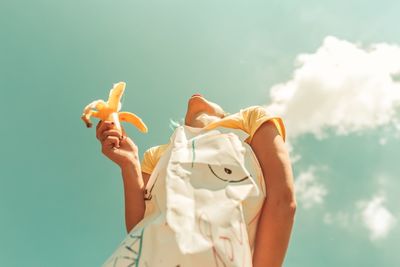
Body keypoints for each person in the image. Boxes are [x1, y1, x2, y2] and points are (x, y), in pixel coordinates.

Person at [96, 94, 296, 267]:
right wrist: (129, 163)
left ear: (223, 113)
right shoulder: (156, 156)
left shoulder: (249, 120)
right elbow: (139, 226)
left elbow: (282, 201)